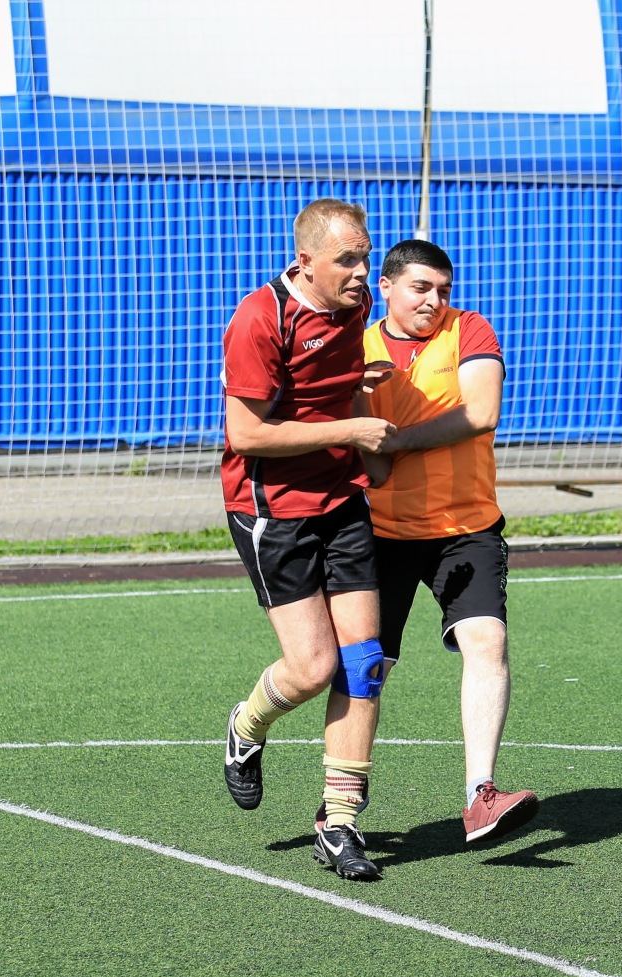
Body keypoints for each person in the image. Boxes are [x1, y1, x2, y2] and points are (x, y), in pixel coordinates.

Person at [218, 197, 398, 882]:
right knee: (314, 667)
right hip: (273, 510)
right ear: (305, 262)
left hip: (340, 499)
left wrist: (358, 399)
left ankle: (340, 822)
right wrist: (352, 430)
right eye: (347, 260)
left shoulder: (354, 308)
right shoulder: (260, 318)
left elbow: (333, 388)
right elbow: (247, 434)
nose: (361, 273)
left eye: (365, 258)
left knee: (365, 662)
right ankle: (247, 726)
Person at [361, 239, 539, 843]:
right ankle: (340, 804)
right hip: (379, 531)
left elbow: (481, 411)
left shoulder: (470, 330)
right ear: (386, 287)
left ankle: (480, 796)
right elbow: (355, 447)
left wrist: (394, 441)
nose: (434, 301)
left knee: (488, 641)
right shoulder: (355, 348)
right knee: (368, 666)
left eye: (443, 290)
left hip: (467, 528)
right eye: (421, 288)